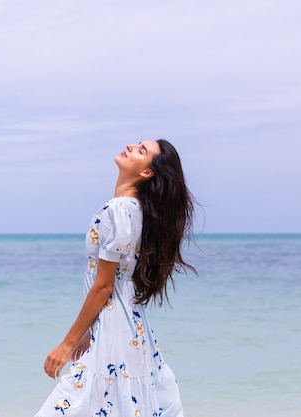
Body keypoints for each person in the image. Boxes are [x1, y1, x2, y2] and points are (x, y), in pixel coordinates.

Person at [35, 139, 196, 417]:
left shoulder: (118, 210)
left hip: (115, 333)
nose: (131, 146)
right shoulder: (138, 212)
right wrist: (90, 331)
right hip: (129, 329)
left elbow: (104, 285)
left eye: (141, 150)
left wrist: (67, 343)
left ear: (147, 173)